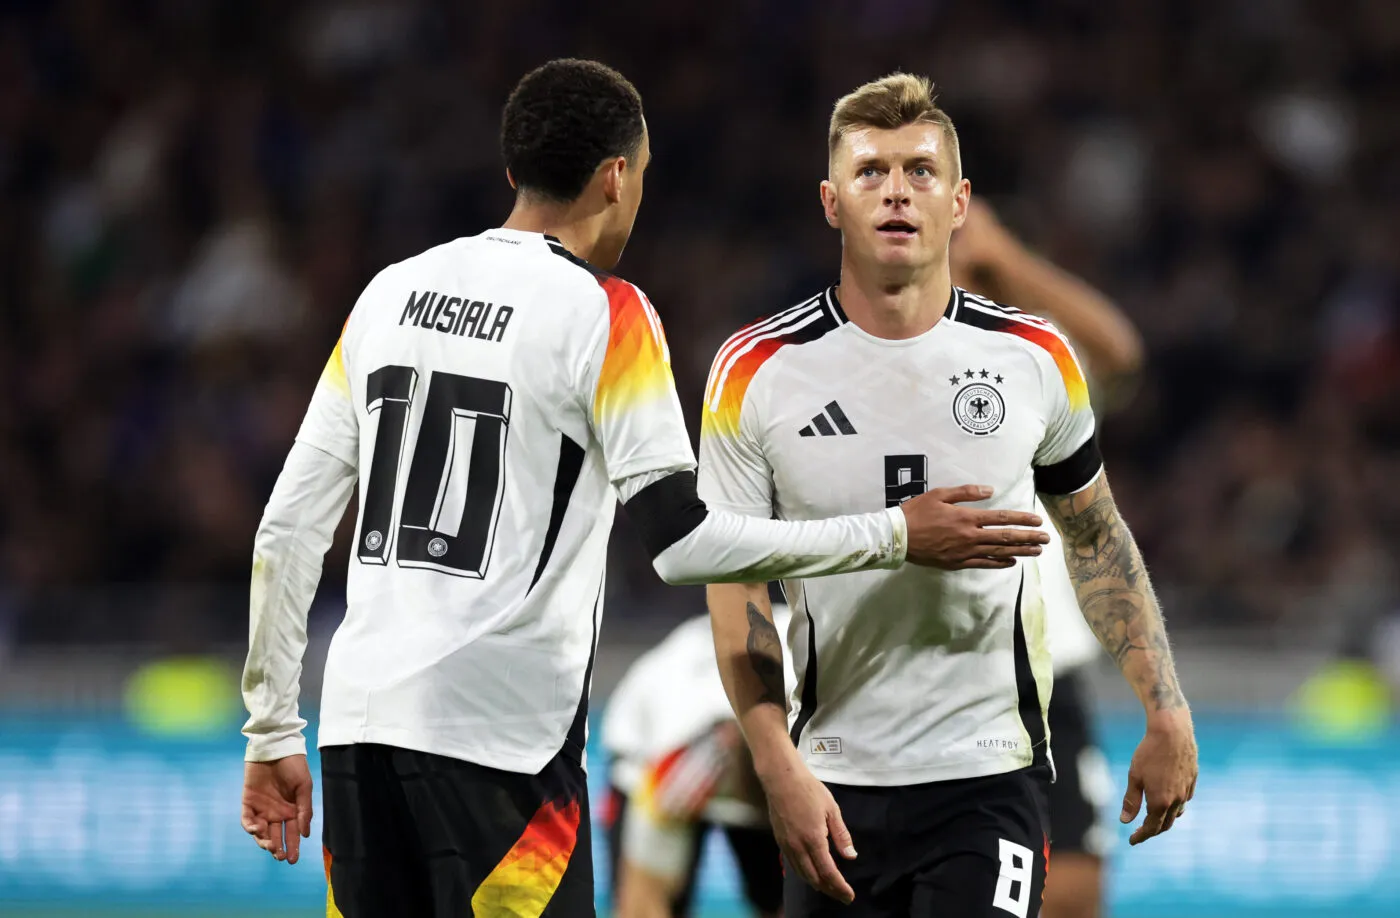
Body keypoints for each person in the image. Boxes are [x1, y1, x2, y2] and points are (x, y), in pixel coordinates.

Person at [236, 59, 1053, 918]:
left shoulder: (388, 296)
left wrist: (271, 728)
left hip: (358, 733)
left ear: (513, 170)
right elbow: (683, 543)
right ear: (616, 178)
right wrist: (893, 533)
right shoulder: (603, 311)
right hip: (501, 747)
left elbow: (287, 530)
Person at [699, 73, 1198, 918]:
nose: (897, 190)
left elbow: (1095, 537)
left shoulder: (1033, 356)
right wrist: (777, 763)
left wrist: (1166, 707)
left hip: (989, 775)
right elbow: (735, 579)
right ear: (831, 202)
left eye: (921, 171)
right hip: (834, 776)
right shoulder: (755, 371)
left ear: (959, 203)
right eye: (871, 171)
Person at [951, 199, 1146, 918]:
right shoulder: (871, 362)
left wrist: (1006, 259)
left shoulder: (1031, 364)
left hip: (1044, 664)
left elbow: (1121, 355)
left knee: (1073, 887)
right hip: (933, 666)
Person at [603, 607, 794, 918]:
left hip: (750, 747)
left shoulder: (820, 706)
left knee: (795, 900)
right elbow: (642, 904)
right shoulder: (684, 755)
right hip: (655, 759)